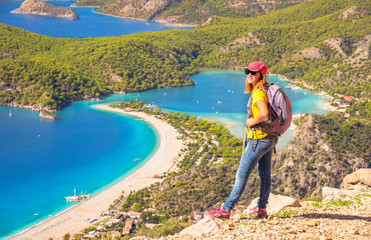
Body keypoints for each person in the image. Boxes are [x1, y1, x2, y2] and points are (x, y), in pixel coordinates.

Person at [204, 61, 278, 220]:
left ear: (261, 75)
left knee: (241, 174)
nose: (249, 75)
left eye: (253, 72)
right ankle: (261, 209)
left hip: (257, 140)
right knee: (265, 175)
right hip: (269, 138)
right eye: (247, 72)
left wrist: (253, 121)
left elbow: (263, 113)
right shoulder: (267, 90)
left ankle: (226, 208)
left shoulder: (258, 92)